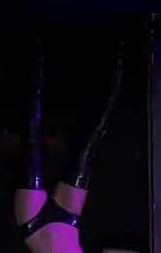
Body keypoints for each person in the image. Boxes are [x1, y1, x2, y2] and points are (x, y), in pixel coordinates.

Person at [15, 42, 137, 253]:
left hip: (34, 225)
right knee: (87, 146)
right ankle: (119, 60)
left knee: (32, 138)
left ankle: (34, 52)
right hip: (67, 221)